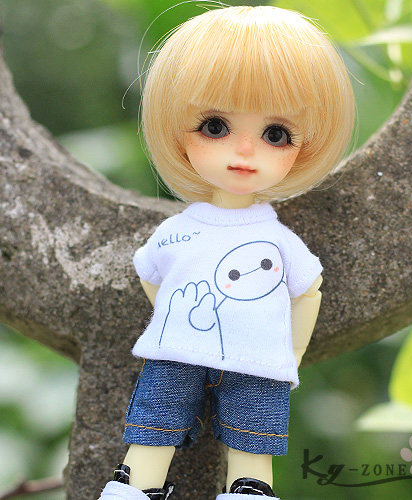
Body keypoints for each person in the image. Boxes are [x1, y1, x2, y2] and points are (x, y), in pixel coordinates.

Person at [98, 5, 354, 499]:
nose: (244, 151)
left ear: (305, 146)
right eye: (214, 126)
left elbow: (308, 291)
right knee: (151, 433)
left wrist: (289, 352)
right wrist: (177, 317)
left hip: (257, 359)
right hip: (176, 353)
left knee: (252, 449)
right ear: (176, 128)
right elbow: (151, 272)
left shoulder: (277, 239)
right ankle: (134, 489)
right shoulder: (180, 230)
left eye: (275, 135)